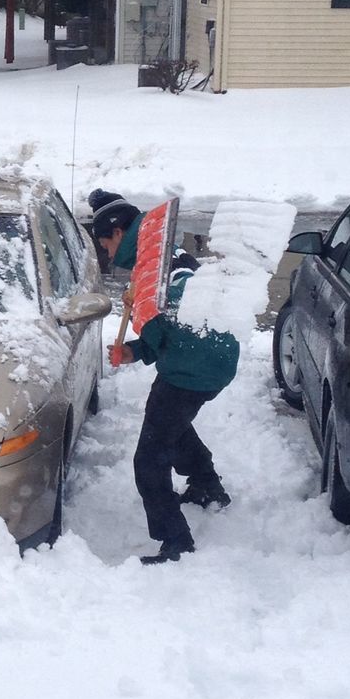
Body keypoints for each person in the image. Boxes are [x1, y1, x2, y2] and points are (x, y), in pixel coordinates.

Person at [90, 190, 238, 565]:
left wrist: (139, 331)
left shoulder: (156, 275)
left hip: (193, 367)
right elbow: (169, 332)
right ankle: (206, 484)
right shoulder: (160, 255)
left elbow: (165, 330)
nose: (105, 253)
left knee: (149, 458)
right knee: (169, 420)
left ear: (119, 233)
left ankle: (176, 541)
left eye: (104, 243)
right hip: (208, 361)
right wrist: (135, 349)